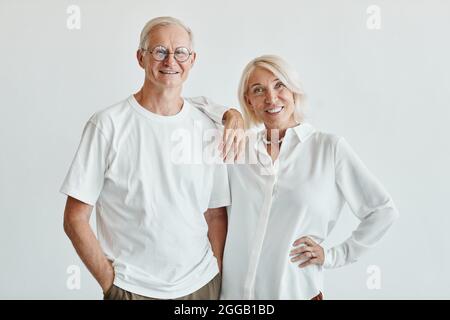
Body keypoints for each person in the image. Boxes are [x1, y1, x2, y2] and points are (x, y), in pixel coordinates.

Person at [60, 16, 244, 300]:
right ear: (140, 57)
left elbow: (215, 213)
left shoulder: (208, 127)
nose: (171, 61)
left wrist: (217, 271)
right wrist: (110, 283)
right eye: (159, 51)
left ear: (192, 59)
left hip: (201, 286)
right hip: (132, 289)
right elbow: (75, 218)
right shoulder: (108, 125)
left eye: (180, 52)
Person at [218, 55, 399, 299]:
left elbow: (382, 210)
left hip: (297, 293)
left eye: (279, 85)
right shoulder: (239, 149)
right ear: (249, 101)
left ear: (293, 91)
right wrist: (229, 114)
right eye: (258, 90)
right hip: (234, 297)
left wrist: (335, 255)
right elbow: (187, 108)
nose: (271, 98)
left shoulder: (328, 148)